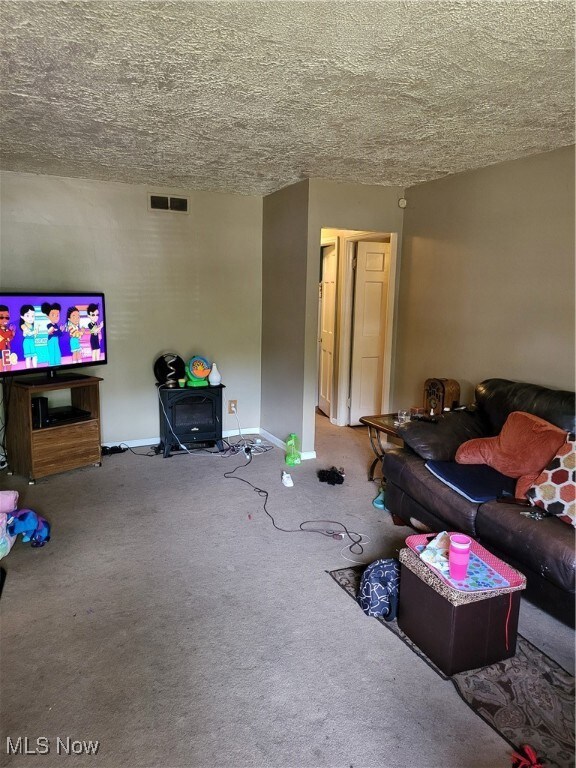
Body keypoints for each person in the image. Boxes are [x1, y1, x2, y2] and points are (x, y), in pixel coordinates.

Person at [41, 302, 64, 366]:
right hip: (51, 341)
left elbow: (59, 334)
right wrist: (58, 331)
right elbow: (52, 332)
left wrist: (61, 331)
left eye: (57, 315)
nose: (56, 317)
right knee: (51, 353)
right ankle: (52, 365)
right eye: (53, 315)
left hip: (56, 341)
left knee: (57, 352)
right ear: (48, 316)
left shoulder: (56, 325)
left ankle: (57, 363)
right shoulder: (49, 325)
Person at [20, 304, 38, 368]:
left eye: (33, 316)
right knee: (28, 357)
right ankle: (28, 369)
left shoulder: (33, 325)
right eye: (28, 315)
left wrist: (36, 332)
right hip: (27, 342)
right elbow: (29, 333)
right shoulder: (23, 325)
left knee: (35, 356)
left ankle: (35, 368)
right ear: (22, 316)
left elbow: (34, 335)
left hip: (33, 342)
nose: (31, 318)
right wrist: (35, 331)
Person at [0, 305, 16, 371]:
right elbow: (3, 336)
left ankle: (8, 377)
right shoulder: (6, 330)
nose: (4, 319)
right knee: (1, 365)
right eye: (1, 317)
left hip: (7, 349)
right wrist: (10, 331)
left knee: (8, 365)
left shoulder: (6, 329)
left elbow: (9, 338)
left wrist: (13, 332)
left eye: (7, 317)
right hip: (1, 349)